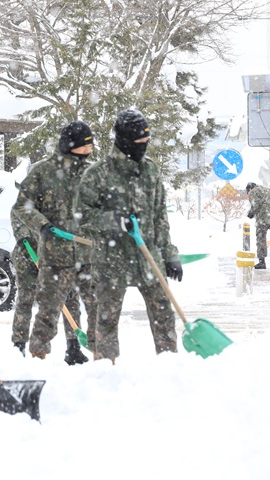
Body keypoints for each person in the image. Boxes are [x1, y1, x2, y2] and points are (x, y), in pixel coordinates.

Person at [74, 109, 181, 363]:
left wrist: (170, 254)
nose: (143, 147)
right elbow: (80, 215)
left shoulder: (151, 172)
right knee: (106, 319)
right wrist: (112, 220)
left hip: (149, 259)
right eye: (138, 143)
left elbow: (159, 218)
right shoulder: (98, 174)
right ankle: (106, 370)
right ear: (123, 141)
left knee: (164, 314)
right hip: (111, 260)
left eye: (146, 142)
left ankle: (170, 366)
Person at [11, 121, 96, 364]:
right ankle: (19, 346)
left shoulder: (88, 173)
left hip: (74, 253)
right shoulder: (41, 175)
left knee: (71, 301)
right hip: (32, 256)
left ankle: (73, 348)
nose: (88, 150)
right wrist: (39, 232)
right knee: (28, 301)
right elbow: (21, 217)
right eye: (83, 146)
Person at [9, 206, 40, 356]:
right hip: (25, 260)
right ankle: (19, 344)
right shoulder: (19, 208)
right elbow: (21, 233)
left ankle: (42, 345)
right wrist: (24, 238)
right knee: (25, 300)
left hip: (49, 259)